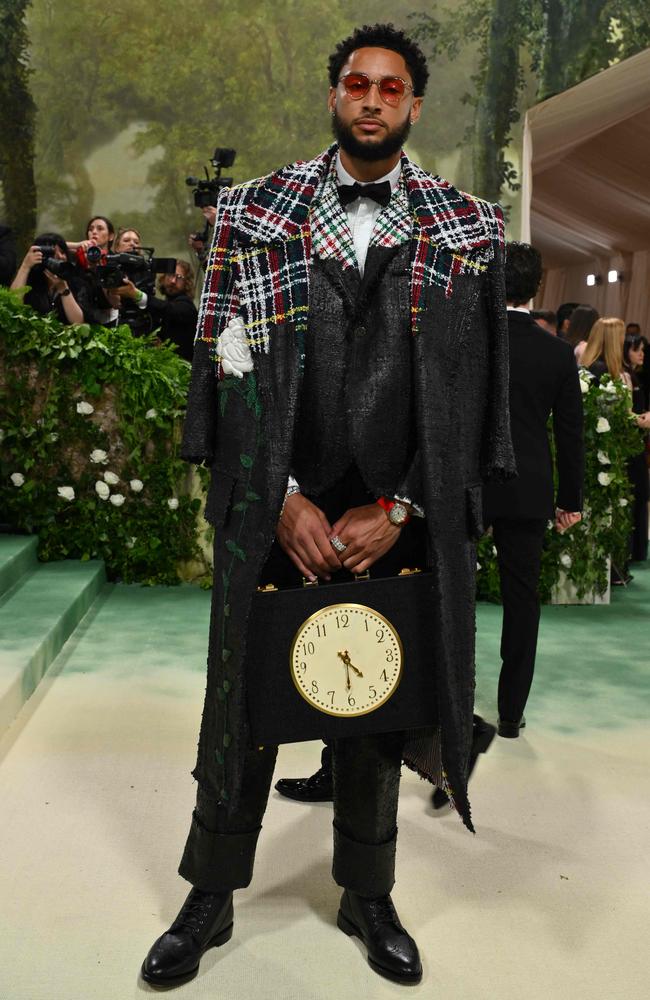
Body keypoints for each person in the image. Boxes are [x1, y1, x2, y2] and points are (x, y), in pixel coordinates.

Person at [141, 23, 515, 989]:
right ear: (335, 96)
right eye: (358, 83)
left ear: (414, 105)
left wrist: (404, 506)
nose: (374, 99)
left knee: (375, 700)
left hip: (393, 508)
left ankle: (367, 889)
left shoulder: (465, 227)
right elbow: (219, 373)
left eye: (393, 87)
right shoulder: (254, 212)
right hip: (281, 494)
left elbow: (475, 399)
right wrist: (278, 500)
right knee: (243, 703)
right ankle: (212, 891)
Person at [483, 242, 584, 739]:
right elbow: (570, 435)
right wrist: (571, 501)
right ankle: (510, 713)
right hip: (527, 486)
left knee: (447, 590)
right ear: (536, 288)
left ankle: (445, 698)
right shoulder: (558, 354)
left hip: (466, 483)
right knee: (522, 599)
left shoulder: (469, 340)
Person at [9, 232, 90, 325]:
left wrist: (63, 289)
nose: (60, 256)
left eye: (63, 252)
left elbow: (78, 323)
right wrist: (25, 266)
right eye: (53, 253)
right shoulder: (30, 281)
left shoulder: (76, 282)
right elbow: (12, 307)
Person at [623, 333, 650, 562]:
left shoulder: (637, 377)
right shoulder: (625, 375)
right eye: (636, 349)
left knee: (641, 494)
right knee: (637, 493)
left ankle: (639, 549)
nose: (641, 354)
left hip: (637, 442)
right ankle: (633, 549)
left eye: (642, 349)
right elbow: (627, 413)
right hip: (630, 444)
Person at [147, 260, 198, 361]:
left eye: (179, 277)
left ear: (186, 282)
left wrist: (140, 297)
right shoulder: (168, 301)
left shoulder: (186, 306)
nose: (173, 281)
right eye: (170, 275)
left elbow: (168, 308)